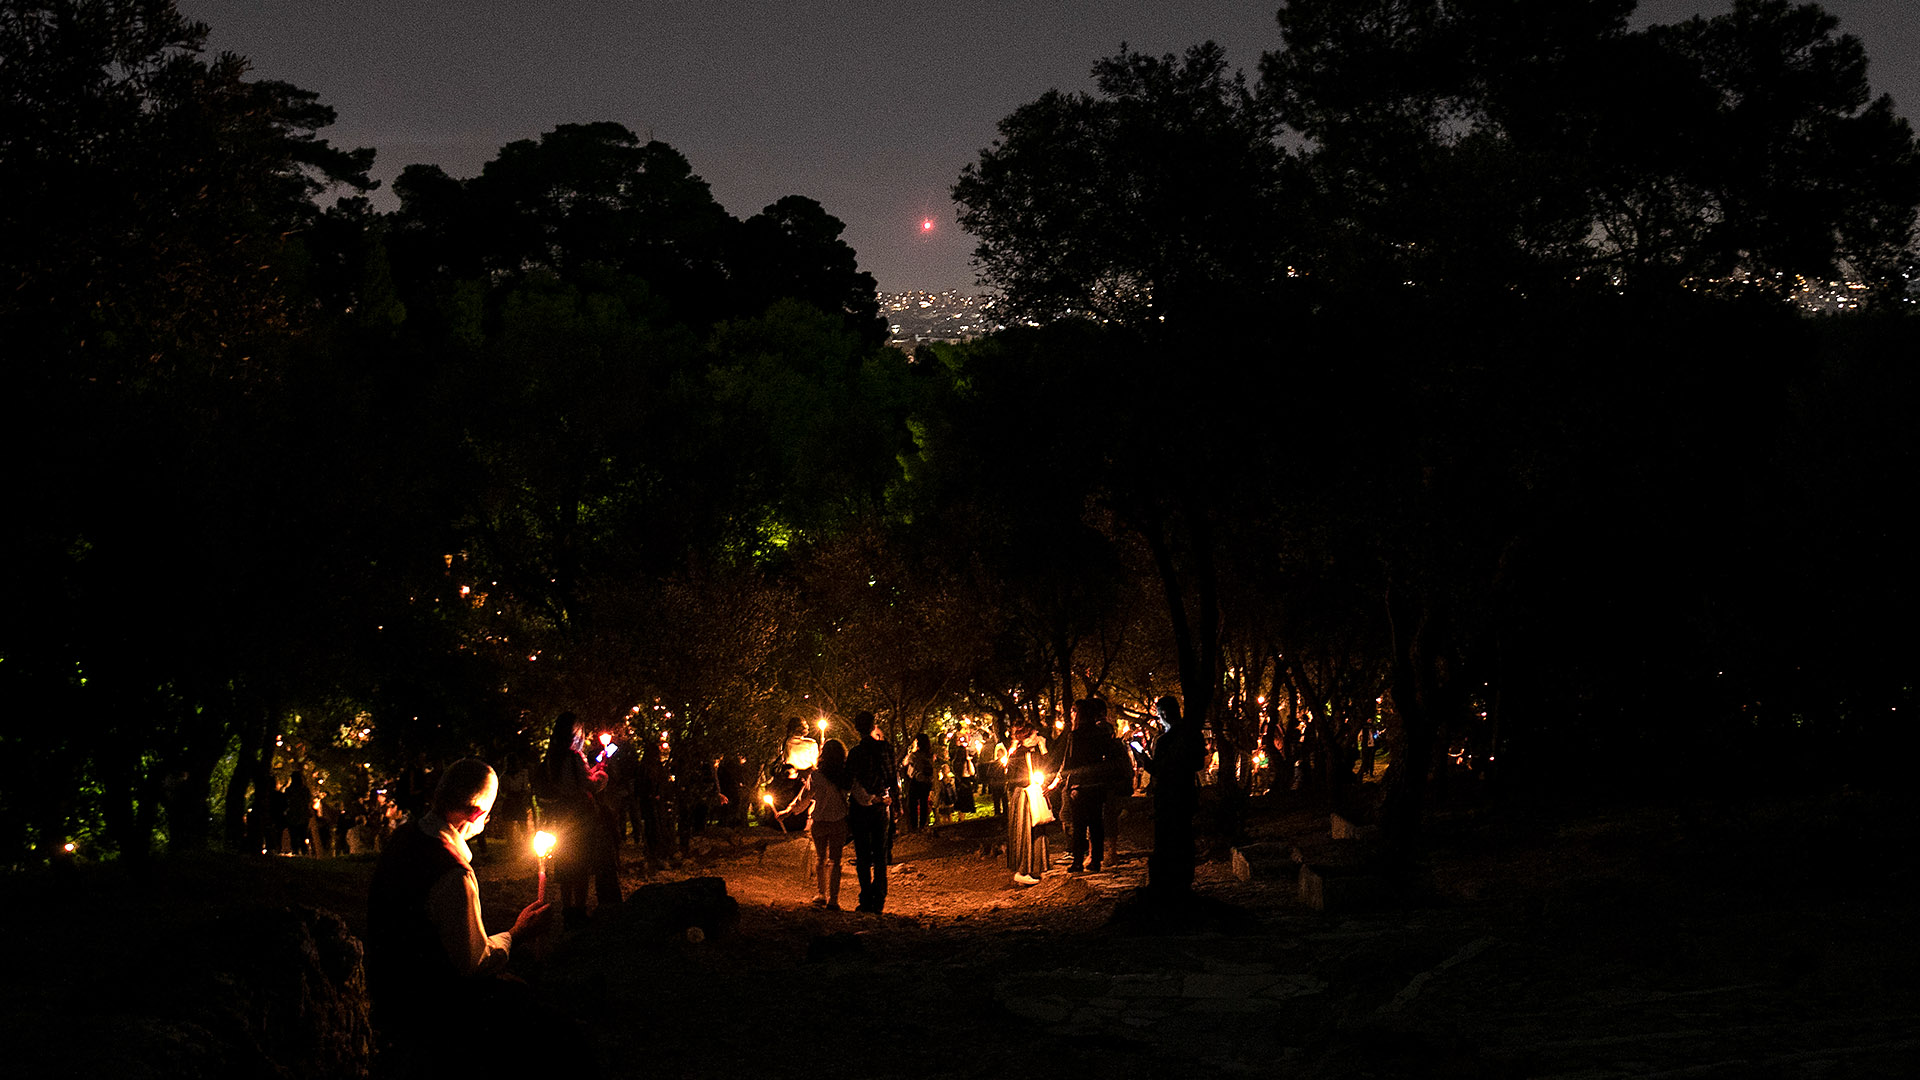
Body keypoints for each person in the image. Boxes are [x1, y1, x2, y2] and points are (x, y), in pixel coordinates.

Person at [366, 757, 554, 1067]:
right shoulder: (452, 872)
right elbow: (472, 964)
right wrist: (517, 934)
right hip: (428, 1004)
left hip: (385, 984)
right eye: (488, 813)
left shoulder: (404, 837)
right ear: (479, 813)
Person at [536, 711, 602, 927]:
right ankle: (579, 910)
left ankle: (567, 910)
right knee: (581, 864)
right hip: (580, 817)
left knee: (565, 863)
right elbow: (587, 785)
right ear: (576, 733)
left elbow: (561, 784)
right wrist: (601, 776)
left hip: (561, 817)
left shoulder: (551, 758)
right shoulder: (575, 757)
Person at [780, 738, 853, 908]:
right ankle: (834, 899)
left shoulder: (816, 776)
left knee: (821, 858)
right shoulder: (845, 777)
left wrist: (788, 811)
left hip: (819, 820)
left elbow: (804, 798)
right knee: (835, 861)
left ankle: (821, 894)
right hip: (839, 821)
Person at [1144, 694, 1204, 896]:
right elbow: (1198, 763)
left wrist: (1144, 761)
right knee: (1184, 837)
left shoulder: (1165, 740)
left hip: (1168, 795)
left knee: (1167, 838)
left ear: (1164, 713)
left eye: (1159, 714)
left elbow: (1158, 770)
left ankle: (1168, 882)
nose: (1158, 719)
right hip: (1186, 792)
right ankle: (1183, 880)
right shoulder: (1192, 734)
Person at [1059, 698, 1125, 874]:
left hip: (1080, 785)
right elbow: (1109, 756)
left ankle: (1078, 861)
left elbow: (1069, 762)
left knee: (1079, 825)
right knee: (1096, 823)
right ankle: (1096, 860)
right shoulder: (1100, 734)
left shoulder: (1075, 735)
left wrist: (1063, 779)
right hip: (1097, 784)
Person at [844, 710, 897, 913]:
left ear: (857, 728)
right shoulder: (886, 749)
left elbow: (849, 780)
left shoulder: (856, 753)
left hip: (861, 807)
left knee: (863, 855)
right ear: (874, 726)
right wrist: (895, 802)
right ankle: (880, 897)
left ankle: (866, 898)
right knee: (880, 853)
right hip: (882, 804)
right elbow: (892, 777)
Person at [1005, 719, 1051, 885]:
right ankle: (1023, 870)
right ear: (1026, 737)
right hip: (1026, 795)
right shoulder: (1024, 754)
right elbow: (1045, 767)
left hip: (1025, 794)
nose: (1037, 736)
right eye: (1033, 735)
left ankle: (1034, 868)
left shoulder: (1022, 753)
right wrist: (1043, 749)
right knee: (1026, 832)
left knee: (1035, 830)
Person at [904, 733, 935, 832]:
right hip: (926, 781)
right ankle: (923, 824)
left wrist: (912, 750)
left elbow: (905, 762)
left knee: (912, 803)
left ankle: (914, 826)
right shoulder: (930, 755)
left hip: (916, 781)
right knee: (923, 802)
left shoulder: (916, 755)